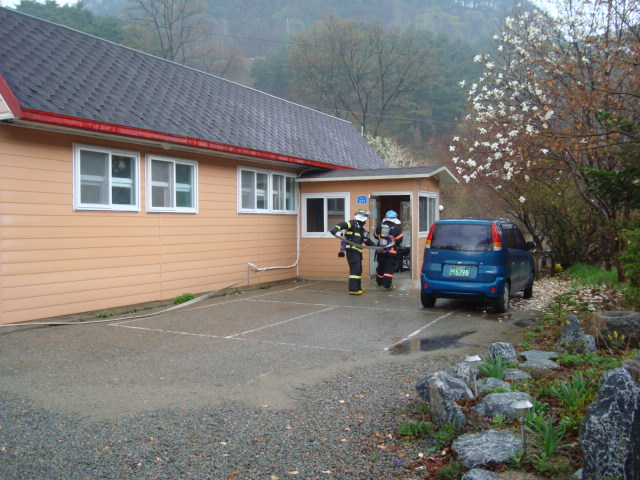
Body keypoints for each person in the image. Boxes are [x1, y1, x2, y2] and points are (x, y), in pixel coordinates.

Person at [330, 209, 375, 295]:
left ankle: (358, 287)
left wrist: (377, 247)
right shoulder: (353, 223)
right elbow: (343, 224)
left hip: (357, 252)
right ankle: (353, 289)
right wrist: (336, 229)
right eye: (366, 218)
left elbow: (367, 241)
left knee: (358, 270)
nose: (365, 220)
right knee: (355, 270)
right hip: (352, 251)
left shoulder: (362, 230)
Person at [374, 210, 403, 291]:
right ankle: (387, 285)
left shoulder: (380, 226)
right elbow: (399, 240)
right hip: (391, 252)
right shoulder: (397, 228)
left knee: (381, 266)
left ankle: (379, 282)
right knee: (389, 268)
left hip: (380, 251)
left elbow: (375, 236)